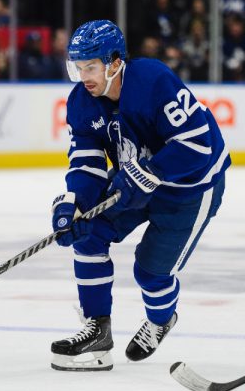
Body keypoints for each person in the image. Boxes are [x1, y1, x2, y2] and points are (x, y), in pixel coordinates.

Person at [49, 19, 230, 371]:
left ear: (115, 63)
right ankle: (97, 331)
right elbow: (86, 162)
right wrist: (76, 204)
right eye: (78, 68)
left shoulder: (152, 80)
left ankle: (161, 320)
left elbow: (198, 145)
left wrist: (152, 171)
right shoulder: (81, 102)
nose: (84, 76)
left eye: (91, 67)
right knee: (88, 233)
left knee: (150, 273)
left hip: (190, 187)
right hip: (136, 177)